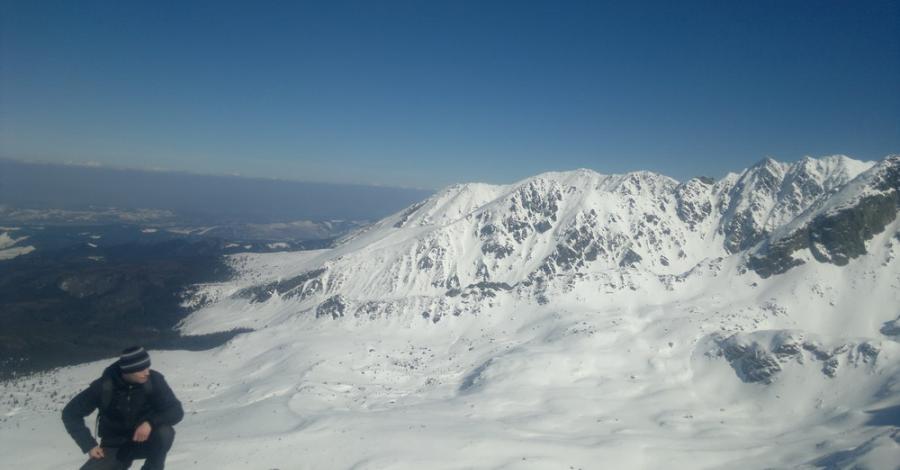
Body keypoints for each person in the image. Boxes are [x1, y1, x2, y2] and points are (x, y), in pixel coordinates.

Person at [62, 346, 184, 470]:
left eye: (147, 367)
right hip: (114, 445)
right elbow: (70, 414)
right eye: (141, 369)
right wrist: (88, 445)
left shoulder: (154, 380)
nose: (146, 372)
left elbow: (175, 411)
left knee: (164, 433)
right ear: (128, 371)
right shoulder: (104, 386)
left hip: (145, 441)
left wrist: (150, 423)